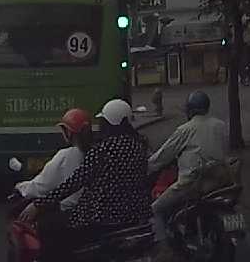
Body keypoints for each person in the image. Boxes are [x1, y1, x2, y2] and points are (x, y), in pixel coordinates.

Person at [19, 99, 151, 261]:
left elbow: (75, 182)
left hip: (101, 215)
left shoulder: (103, 149)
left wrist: (39, 204)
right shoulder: (140, 145)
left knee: (47, 226)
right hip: (136, 214)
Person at [148, 91, 231, 248]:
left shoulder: (185, 129)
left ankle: (165, 250)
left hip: (192, 184)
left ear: (190, 109)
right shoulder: (220, 125)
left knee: (156, 209)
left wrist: (146, 165)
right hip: (219, 180)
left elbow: (164, 155)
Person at [15, 108, 92, 211]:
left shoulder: (66, 155)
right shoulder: (99, 152)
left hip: (70, 211)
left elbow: (42, 186)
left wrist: (20, 187)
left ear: (68, 132)